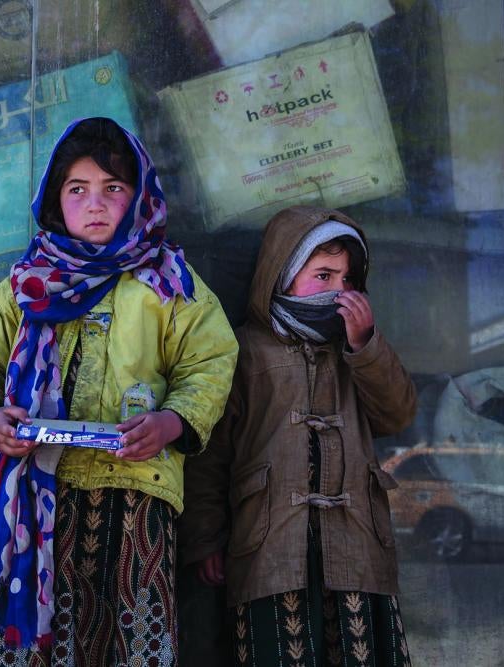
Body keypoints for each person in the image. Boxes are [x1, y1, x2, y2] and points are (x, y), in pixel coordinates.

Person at [0, 117, 238, 666]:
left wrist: (173, 422)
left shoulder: (170, 281)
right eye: (77, 189)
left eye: (113, 188)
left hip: (134, 498)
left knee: (129, 640)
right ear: (56, 200)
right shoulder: (25, 284)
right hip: (34, 494)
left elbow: (211, 361)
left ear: (141, 197)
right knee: (44, 647)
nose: (95, 203)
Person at [181, 205, 417, 667]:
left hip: (356, 550)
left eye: (348, 280)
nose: (338, 292)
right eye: (323, 276)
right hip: (270, 549)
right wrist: (205, 539)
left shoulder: (356, 346)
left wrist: (364, 346)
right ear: (281, 275)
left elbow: (397, 415)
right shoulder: (244, 348)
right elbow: (211, 455)